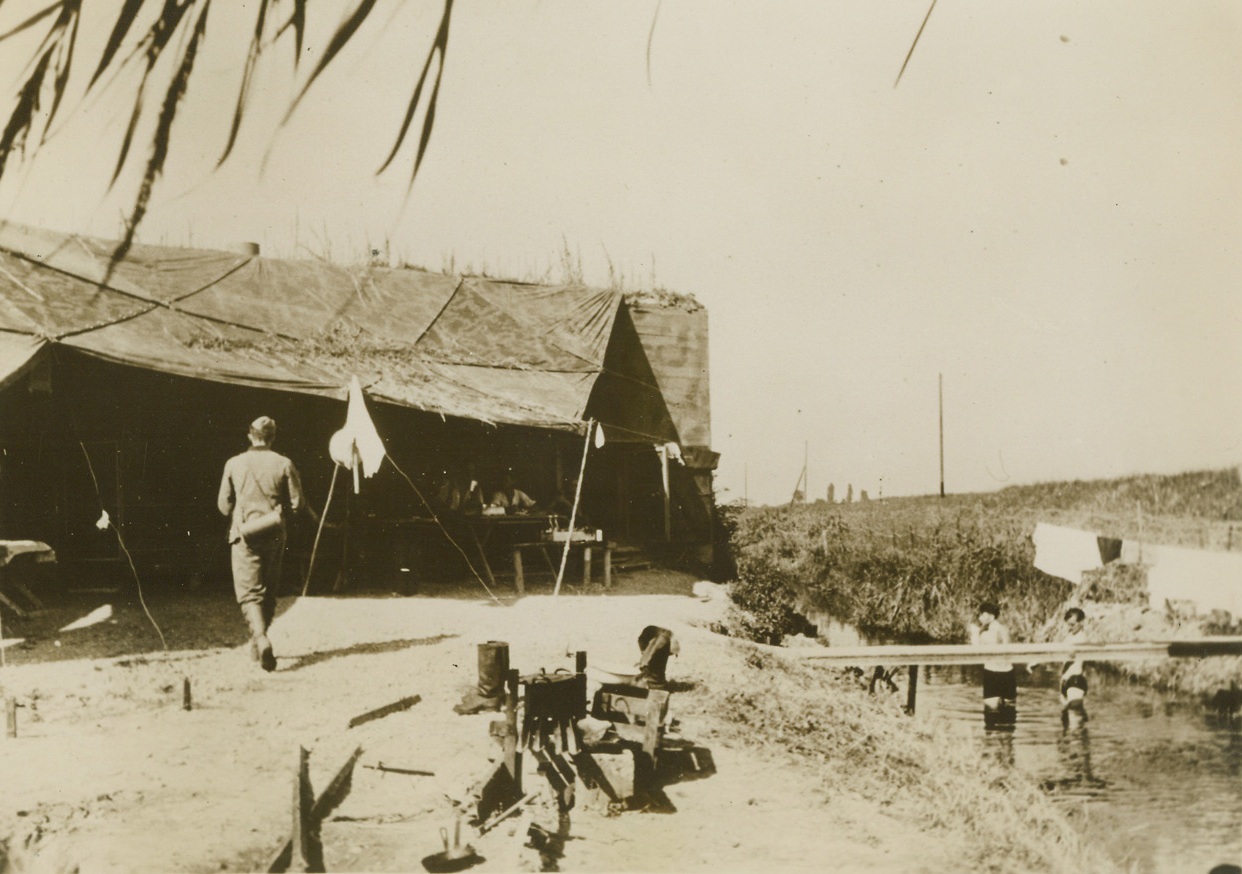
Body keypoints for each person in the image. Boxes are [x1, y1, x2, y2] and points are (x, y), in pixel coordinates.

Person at [217, 416, 307, 672]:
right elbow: (298, 503)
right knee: (268, 590)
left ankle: (260, 639)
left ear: (250, 435)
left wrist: (241, 505)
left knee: (249, 592)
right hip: (274, 533)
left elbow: (223, 507)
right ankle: (259, 643)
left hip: (244, 534)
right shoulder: (284, 463)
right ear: (273, 437)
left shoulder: (233, 463)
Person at [971, 600, 1016, 729]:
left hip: (993, 671)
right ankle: (1006, 743)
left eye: (982, 615)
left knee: (991, 711)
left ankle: (992, 742)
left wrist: (975, 634)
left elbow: (976, 651)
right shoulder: (1002, 629)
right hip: (1006, 671)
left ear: (990, 616)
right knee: (1009, 712)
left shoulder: (988, 632)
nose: (980, 618)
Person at [1060, 606, 1089, 726]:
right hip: (1066, 681)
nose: (1070, 627)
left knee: (1075, 728)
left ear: (1081, 623)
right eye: (1068, 624)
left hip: (1075, 681)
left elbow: (1070, 655)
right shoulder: (1069, 636)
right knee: (1067, 725)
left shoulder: (1082, 639)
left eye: (1072, 624)